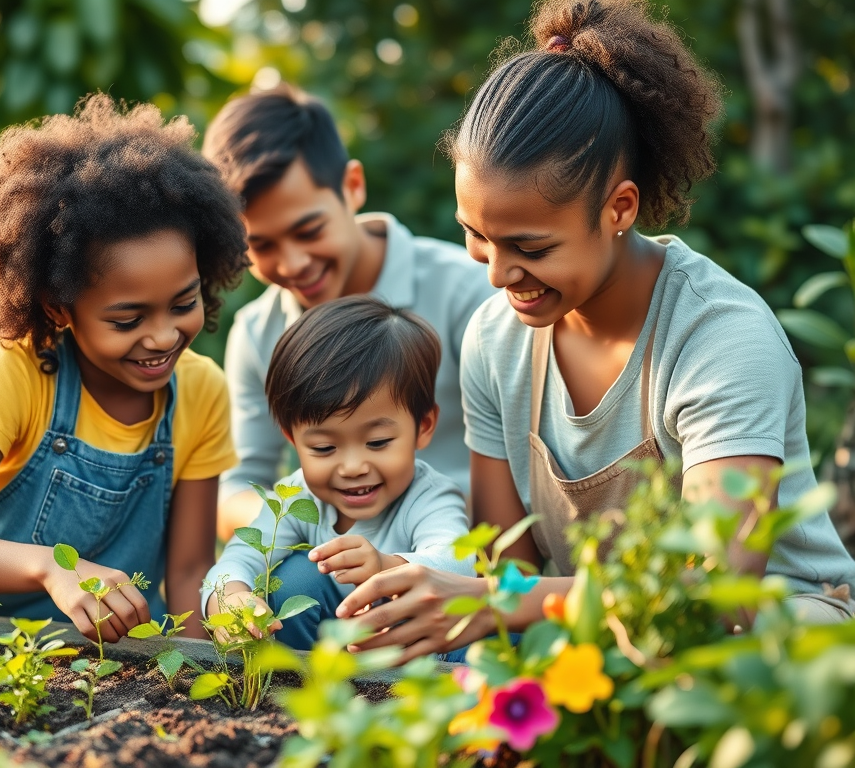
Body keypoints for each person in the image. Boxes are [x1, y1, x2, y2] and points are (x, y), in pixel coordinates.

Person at [335, 0, 855, 664]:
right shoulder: (496, 341)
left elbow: (714, 594)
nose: (497, 275)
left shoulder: (721, 339)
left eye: (529, 246)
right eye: (475, 236)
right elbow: (511, 571)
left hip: (766, 641)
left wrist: (492, 603)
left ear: (619, 209)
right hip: (599, 637)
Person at [0, 94, 249, 641]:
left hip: (83, 656)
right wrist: (52, 566)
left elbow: (189, 571)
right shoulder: (16, 372)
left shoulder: (200, 390)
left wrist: (206, 674)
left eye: (183, 303)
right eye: (127, 319)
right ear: (60, 307)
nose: (163, 335)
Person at [201, 84, 496, 542]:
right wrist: (319, 532)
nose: (293, 263)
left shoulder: (468, 291)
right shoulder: (258, 335)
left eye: (309, 229)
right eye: (260, 245)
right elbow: (237, 486)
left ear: (352, 187)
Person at [201, 296, 475, 651]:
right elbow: (237, 558)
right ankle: (290, 690)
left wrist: (385, 565)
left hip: (416, 659)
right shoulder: (295, 499)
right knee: (292, 579)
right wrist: (232, 596)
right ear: (293, 441)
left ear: (423, 426)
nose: (352, 467)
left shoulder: (428, 495)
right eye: (324, 449)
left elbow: (459, 563)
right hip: (331, 656)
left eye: (377, 442)